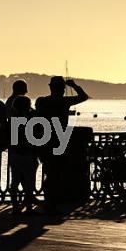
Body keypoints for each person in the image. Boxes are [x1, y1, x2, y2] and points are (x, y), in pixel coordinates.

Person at [35, 77, 89, 212]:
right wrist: (74, 85)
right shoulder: (64, 101)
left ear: (50, 87)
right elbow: (84, 96)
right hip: (61, 139)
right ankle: (54, 200)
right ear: (62, 89)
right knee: (58, 171)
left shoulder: (43, 101)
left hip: (46, 139)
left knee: (50, 170)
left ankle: (49, 199)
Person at [8, 96, 39, 214]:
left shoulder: (12, 120)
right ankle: (29, 207)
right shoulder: (31, 120)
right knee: (29, 181)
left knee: (15, 180)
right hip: (27, 153)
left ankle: (15, 206)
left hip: (15, 153)